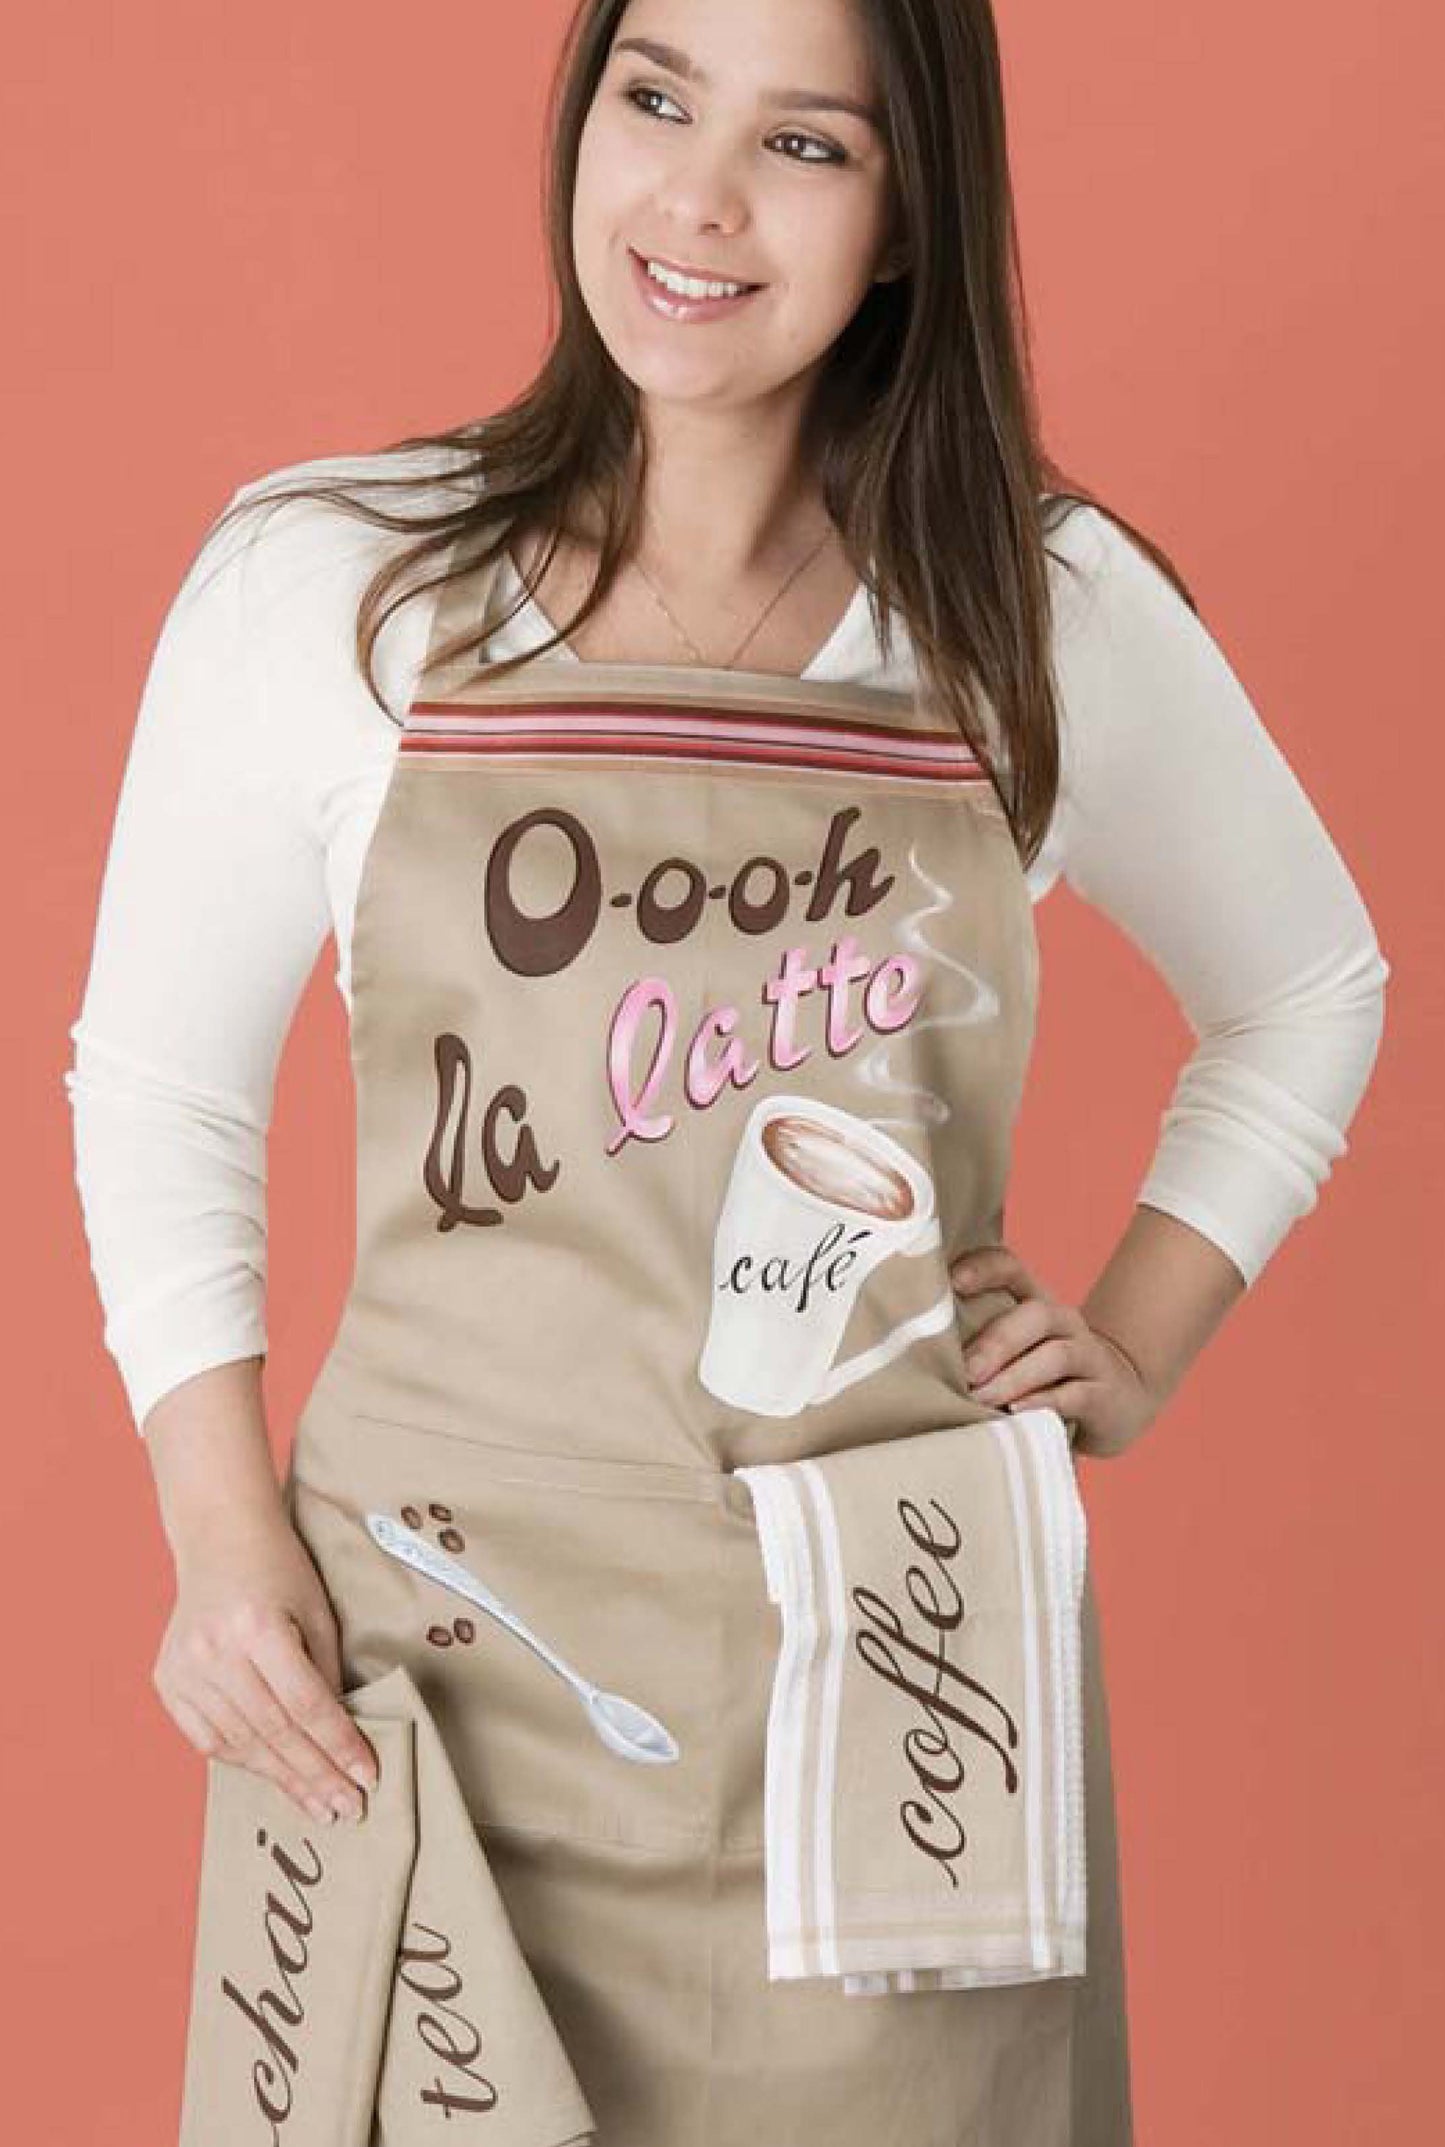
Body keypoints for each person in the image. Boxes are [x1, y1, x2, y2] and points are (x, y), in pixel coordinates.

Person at [64, 1, 1389, 2140]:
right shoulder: (338, 585)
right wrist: (223, 1541)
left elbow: (1310, 981)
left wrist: (1139, 1340)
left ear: (903, 221)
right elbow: (161, 1088)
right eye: (655, 96)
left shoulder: (1027, 613)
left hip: (906, 1683)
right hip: (440, 1655)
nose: (694, 195)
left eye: (805, 144)